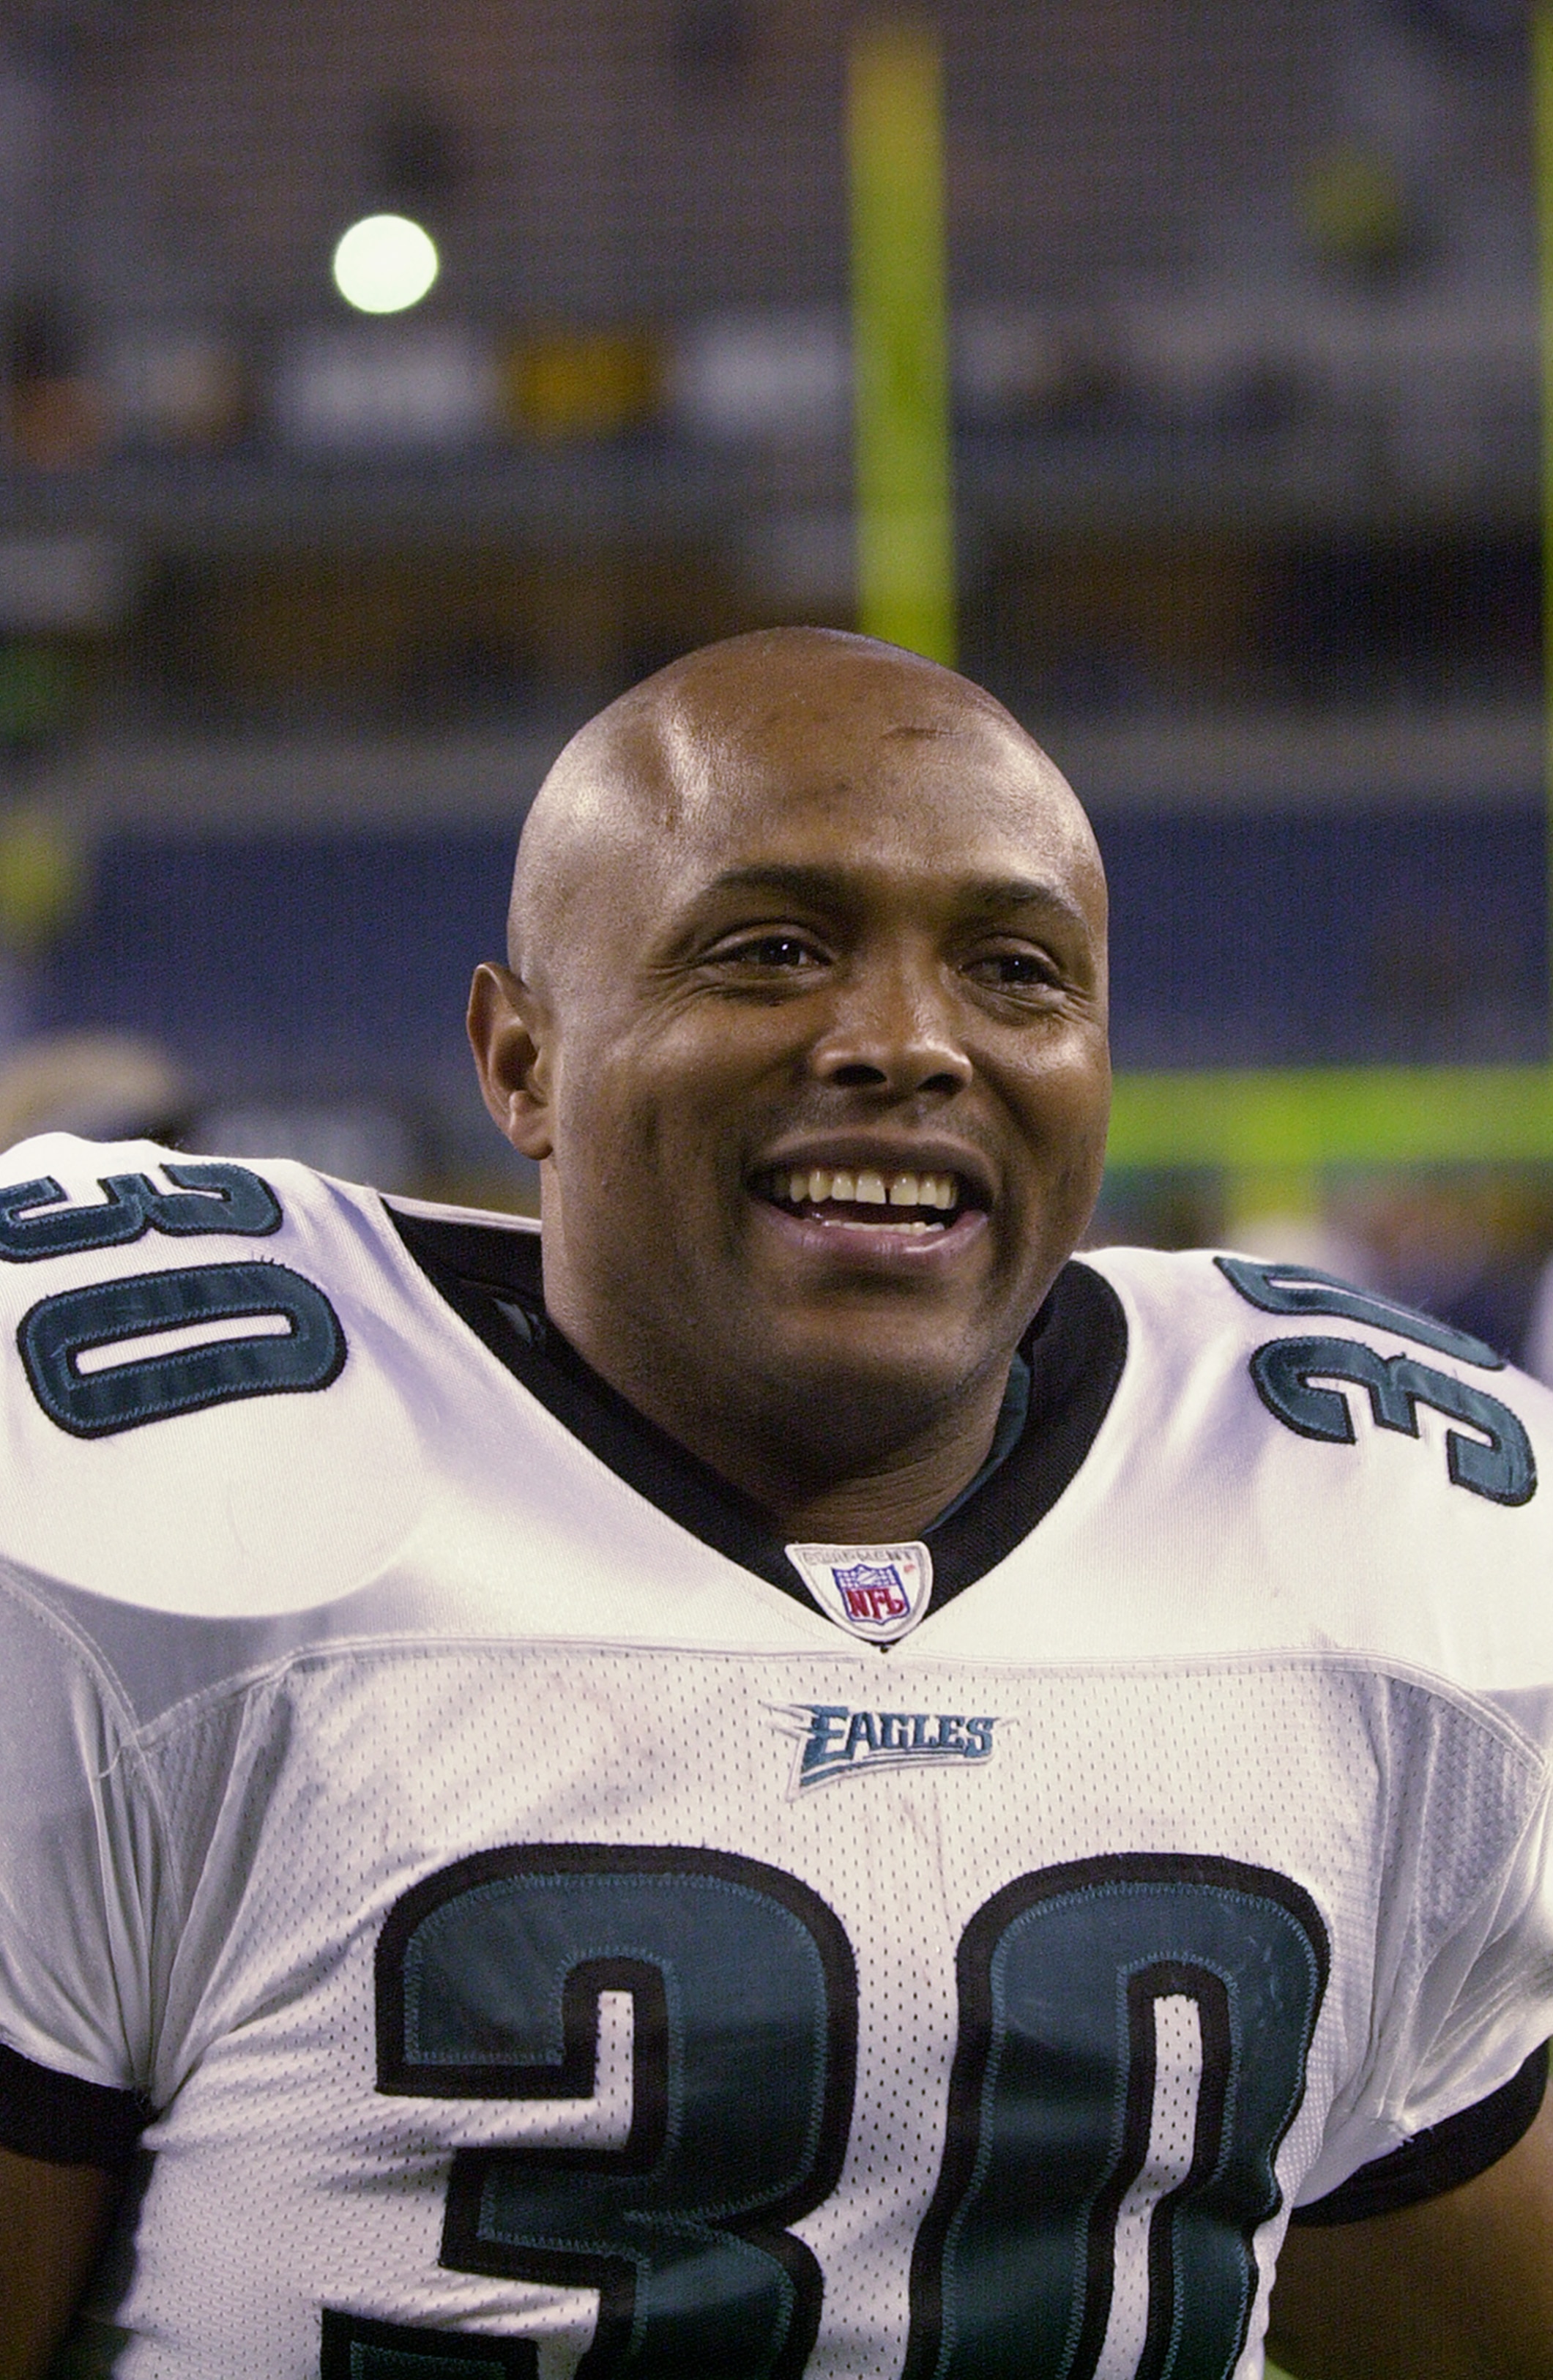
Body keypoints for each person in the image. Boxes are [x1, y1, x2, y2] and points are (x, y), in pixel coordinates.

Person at [1, 626, 1551, 2380]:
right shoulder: (153, 1499)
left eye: (1017, 972)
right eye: (772, 949)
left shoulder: (1343, 1529)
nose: (907, 1042)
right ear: (520, 1062)